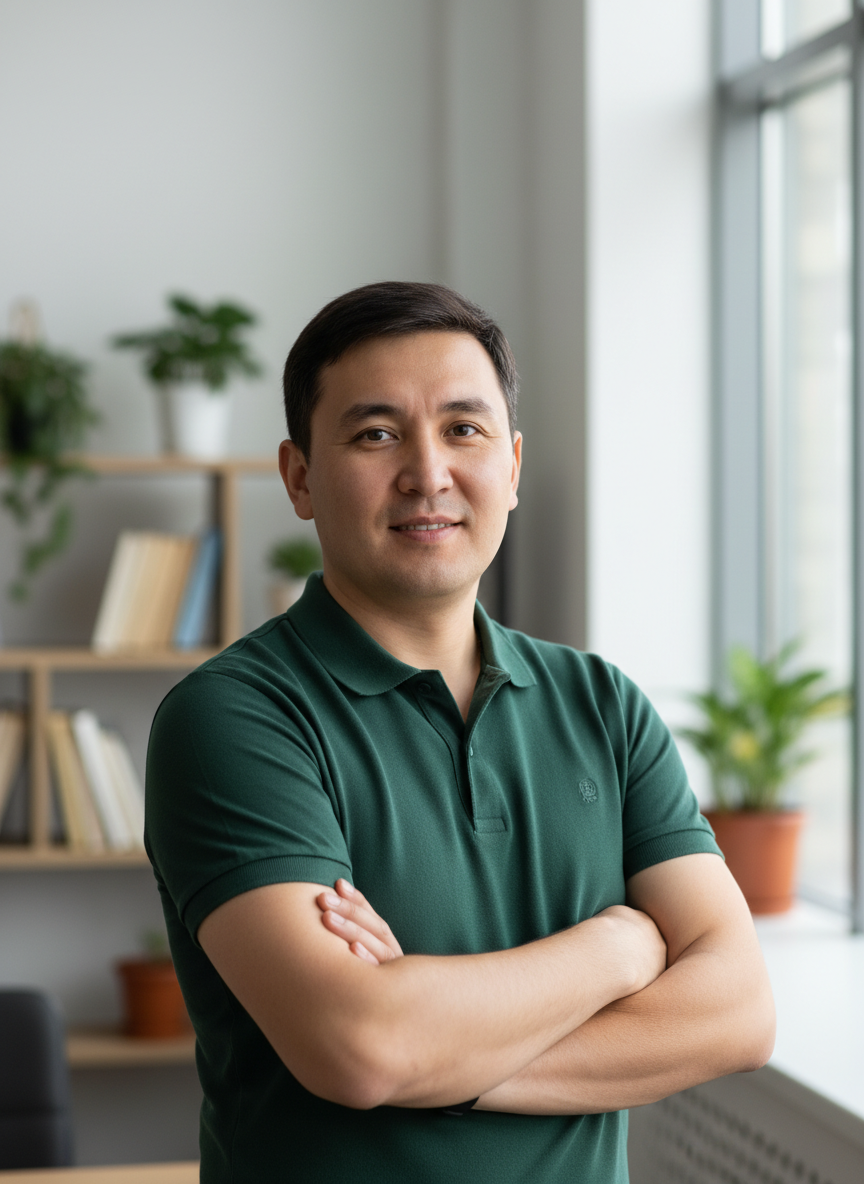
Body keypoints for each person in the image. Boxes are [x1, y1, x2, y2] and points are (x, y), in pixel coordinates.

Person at [145, 281, 775, 1183]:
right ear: (299, 477)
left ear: (512, 468)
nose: (428, 473)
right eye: (376, 434)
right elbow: (359, 1045)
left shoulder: (604, 705)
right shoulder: (236, 717)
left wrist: (435, 1051)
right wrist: (620, 946)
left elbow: (738, 1013)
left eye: (464, 430)